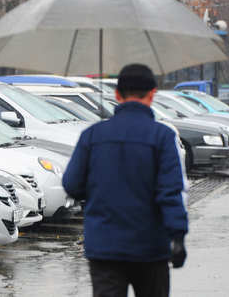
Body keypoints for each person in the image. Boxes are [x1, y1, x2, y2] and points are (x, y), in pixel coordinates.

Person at [62, 64, 188, 297]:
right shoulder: (163, 137)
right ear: (153, 93)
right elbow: (171, 192)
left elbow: (71, 184)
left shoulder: (92, 135)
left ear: (117, 95)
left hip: (104, 247)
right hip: (151, 247)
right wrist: (178, 237)